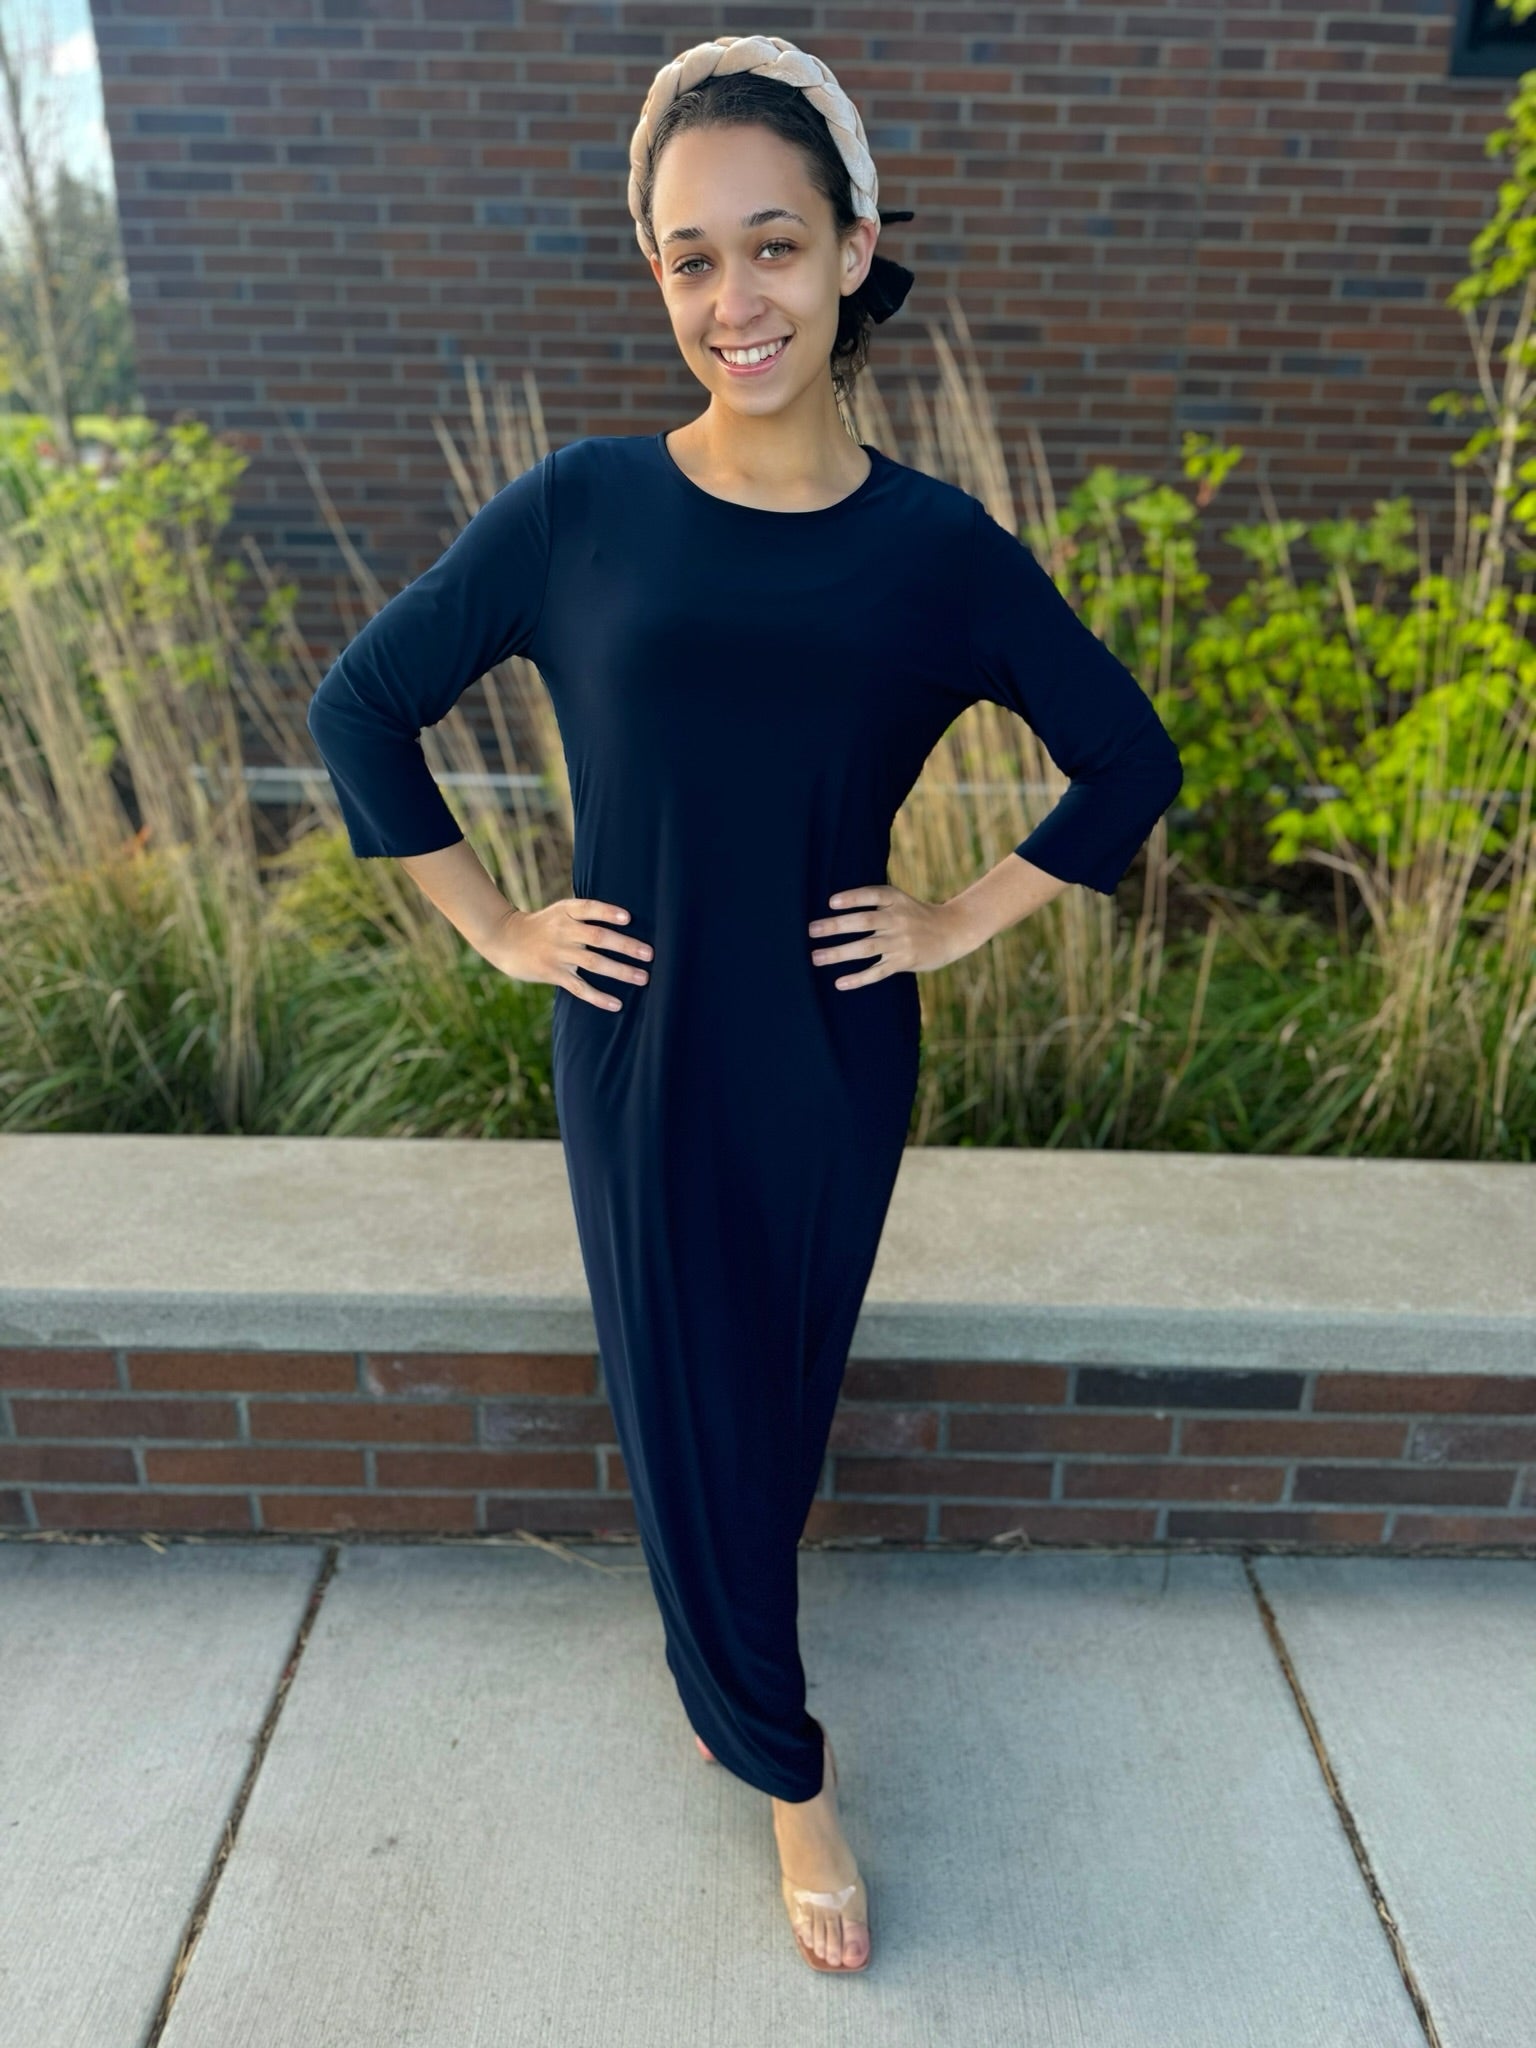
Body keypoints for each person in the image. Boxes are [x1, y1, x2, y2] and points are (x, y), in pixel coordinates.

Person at [305, 33, 1184, 1977]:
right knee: (685, 1396)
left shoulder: (935, 551)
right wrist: (497, 927)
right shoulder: (583, 507)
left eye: (773, 246)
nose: (735, 299)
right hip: (637, 1041)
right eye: (690, 259)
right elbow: (361, 706)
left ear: (855, 252)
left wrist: (957, 918)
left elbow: (1129, 759)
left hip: (832, 1050)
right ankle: (791, 1768)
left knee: (769, 1403)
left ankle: (729, 1647)